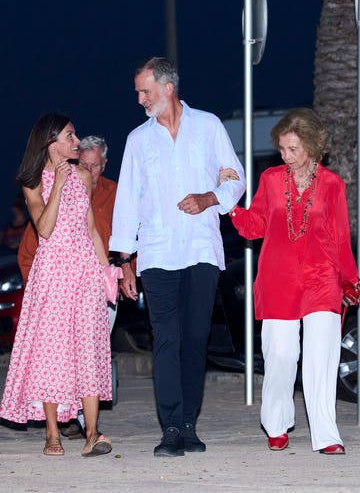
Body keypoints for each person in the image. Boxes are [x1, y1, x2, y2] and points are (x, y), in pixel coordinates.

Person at [109, 56, 246, 457]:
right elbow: (127, 202)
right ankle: (170, 427)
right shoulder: (138, 140)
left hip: (201, 247)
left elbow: (234, 177)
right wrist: (125, 260)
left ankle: (189, 422)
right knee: (165, 339)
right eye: (138, 91)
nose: (139, 99)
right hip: (156, 252)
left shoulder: (208, 126)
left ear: (168, 88)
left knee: (195, 337)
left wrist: (209, 198)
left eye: (144, 90)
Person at [222, 107, 359, 455]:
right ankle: (277, 424)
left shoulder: (332, 185)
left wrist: (350, 281)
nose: (286, 156)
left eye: (293, 149)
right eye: (282, 149)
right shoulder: (270, 179)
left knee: (321, 358)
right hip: (278, 279)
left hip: (321, 279)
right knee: (280, 355)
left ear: (312, 148)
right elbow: (255, 226)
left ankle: (327, 435)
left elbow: (341, 238)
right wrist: (232, 207)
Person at [0, 114, 113, 457]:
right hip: (51, 273)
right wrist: (59, 185)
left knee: (89, 350)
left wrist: (106, 271)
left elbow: (91, 227)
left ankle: (92, 433)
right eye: (70, 135)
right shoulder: (33, 180)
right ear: (51, 142)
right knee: (53, 353)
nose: (76, 141)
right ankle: (52, 434)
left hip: (85, 270)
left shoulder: (84, 175)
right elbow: (45, 228)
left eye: (75, 134)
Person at [18, 135, 117, 284]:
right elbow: (31, 242)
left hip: (103, 268)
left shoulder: (116, 192)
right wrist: (30, 282)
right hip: (61, 273)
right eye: (84, 164)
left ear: (104, 164)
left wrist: (120, 273)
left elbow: (128, 232)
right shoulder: (60, 190)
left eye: (95, 165)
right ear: (76, 162)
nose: (89, 170)